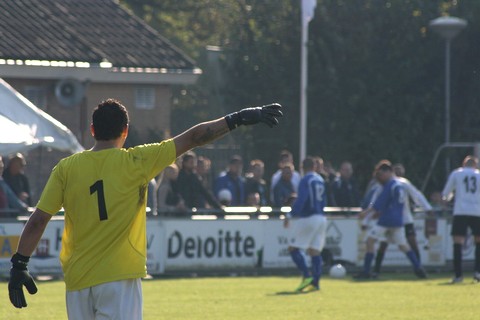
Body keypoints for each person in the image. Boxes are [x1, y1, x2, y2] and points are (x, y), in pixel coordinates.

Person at [7, 99, 282, 317]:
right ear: (125, 132)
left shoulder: (66, 168)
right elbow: (194, 137)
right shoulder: (137, 161)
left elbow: (38, 220)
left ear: (92, 131)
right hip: (119, 279)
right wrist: (238, 118)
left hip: (77, 282)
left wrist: (20, 263)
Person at [355, 160, 426, 280]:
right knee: (403, 245)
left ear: (388, 172)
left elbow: (378, 202)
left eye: (381, 174)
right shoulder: (399, 184)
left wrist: (366, 213)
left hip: (387, 219)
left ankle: (366, 271)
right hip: (398, 220)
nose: (380, 178)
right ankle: (418, 268)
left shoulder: (390, 185)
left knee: (370, 241)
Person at [371, 163, 433, 277]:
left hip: (405, 219)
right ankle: (376, 270)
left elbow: (416, 195)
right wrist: (373, 210)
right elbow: (376, 198)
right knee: (384, 244)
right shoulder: (385, 185)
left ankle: (418, 269)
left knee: (411, 243)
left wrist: (427, 207)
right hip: (390, 219)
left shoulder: (404, 183)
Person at [283, 156, 327, 292]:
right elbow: (324, 200)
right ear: (314, 167)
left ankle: (307, 275)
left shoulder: (305, 180)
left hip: (309, 217)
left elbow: (302, 199)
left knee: (293, 248)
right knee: (315, 251)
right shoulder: (320, 179)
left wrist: (290, 214)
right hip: (321, 217)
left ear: (302, 168)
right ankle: (316, 283)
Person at [441, 155, 480, 284]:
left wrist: (445, 201)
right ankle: (477, 273)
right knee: (478, 242)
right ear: (475, 165)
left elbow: (447, 193)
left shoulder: (457, 173)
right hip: (477, 212)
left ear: (464, 164)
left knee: (458, 243)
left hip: (461, 211)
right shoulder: (479, 175)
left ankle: (458, 276)